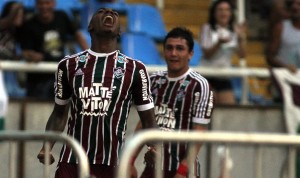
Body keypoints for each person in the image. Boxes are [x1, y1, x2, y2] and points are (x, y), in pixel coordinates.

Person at [36, 8, 157, 178]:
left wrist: (154, 148)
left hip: (112, 163)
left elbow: (148, 118)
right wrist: (46, 146)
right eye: (101, 11)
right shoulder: (68, 65)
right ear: (90, 27)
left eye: (115, 13)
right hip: (72, 160)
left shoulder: (136, 69)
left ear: (120, 31)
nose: (110, 12)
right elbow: (59, 113)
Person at [131, 27, 214, 178]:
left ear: (190, 54)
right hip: (152, 168)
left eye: (180, 49)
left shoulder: (199, 85)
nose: (173, 53)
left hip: (182, 170)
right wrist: (130, 161)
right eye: (169, 48)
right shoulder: (153, 81)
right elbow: (143, 124)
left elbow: (199, 132)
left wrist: (182, 171)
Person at [19, 0, 89, 99]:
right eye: (40, 3)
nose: (44, 7)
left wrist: (89, 54)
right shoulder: (29, 25)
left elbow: (77, 35)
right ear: (36, 5)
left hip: (60, 74)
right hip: (38, 77)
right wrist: (32, 56)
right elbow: (25, 52)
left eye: (47, 3)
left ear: (54, 3)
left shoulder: (62, 17)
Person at [199, 0, 246, 105]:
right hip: (207, 75)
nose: (224, 13)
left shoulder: (234, 29)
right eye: (220, 10)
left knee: (228, 110)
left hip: (224, 76)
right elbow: (207, 54)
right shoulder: (207, 28)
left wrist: (241, 39)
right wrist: (218, 43)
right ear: (214, 13)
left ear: (231, 13)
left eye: (227, 10)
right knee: (208, 111)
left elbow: (242, 56)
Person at [0, 1, 25, 98]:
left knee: (15, 94)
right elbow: (6, 22)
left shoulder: (16, 32)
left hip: (8, 71)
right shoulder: (2, 26)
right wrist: (18, 5)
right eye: (16, 13)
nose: (19, 15)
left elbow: (12, 55)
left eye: (21, 13)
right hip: (1, 70)